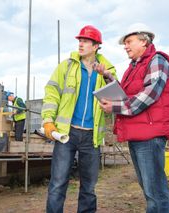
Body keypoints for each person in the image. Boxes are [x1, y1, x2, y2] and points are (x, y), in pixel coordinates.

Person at [98, 23, 169, 213]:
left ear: (143, 40)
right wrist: (108, 77)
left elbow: (149, 94)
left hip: (149, 135)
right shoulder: (134, 67)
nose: (125, 46)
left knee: (155, 191)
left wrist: (115, 107)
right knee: (149, 189)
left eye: (129, 42)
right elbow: (126, 94)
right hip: (138, 133)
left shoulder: (157, 60)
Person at [41, 25, 117, 213]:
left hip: (92, 137)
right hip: (67, 133)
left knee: (89, 188)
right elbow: (51, 93)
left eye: (85, 41)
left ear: (96, 46)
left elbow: (117, 98)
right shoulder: (66, 66)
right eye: (79, 41)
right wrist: (48, 120)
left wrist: (107, 76)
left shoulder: (107, 69)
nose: (80, 44)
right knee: (58, 183)